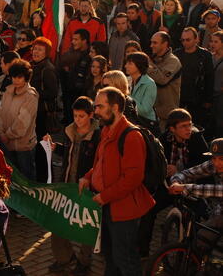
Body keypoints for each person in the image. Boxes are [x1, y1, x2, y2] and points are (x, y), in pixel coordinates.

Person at [79, 87, 155, 276]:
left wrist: (105, 196)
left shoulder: (132, 136)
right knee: (110, 256)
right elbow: (101, 164)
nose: (95, 111)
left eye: (99, 106)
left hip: (123, 210)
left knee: (126, 259)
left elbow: (133, 178)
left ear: (114, 107)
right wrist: (88, 177)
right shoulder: (106, 130)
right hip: (107, 206)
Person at [139, 108, 208, 257]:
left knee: (193, 219)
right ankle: (142, 252)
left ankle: (191, 257)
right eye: (183, 126)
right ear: (172, 129)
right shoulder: (163, 140)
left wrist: (179, 168)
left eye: (189, 125)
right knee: (148, 210)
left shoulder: (196, 139)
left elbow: (204, 165)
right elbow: (153, 163)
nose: (188, 129)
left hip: (190, 187)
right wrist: (164, 170)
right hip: (168, 186)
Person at [44, 96, 100, 274]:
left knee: (87, 226)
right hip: (68, 183)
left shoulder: (98, 135)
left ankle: (84, 262)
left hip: (88, 187)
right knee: (57, 222)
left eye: (82, 116)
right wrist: (56, 148)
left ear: (91, 115)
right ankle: (65, 257)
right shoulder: (69, 130)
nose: (77, 120)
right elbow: (69, 152)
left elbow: (99, 161)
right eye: (75, 115)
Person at [168, 138, 223, 254]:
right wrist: (175, 182)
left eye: (221, 159)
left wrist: (184, 188)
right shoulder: (213, 165)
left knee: (202, 240)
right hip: (218, 210)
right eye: (214, 158)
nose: (217, 163)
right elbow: (187, 173)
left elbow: (217, 190)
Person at [0, 59, 38, 180]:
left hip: (23, 147)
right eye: (14, 77)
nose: (16, 80)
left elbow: (22, 123)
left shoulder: (31, 96)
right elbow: (0, 112)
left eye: (19, 77)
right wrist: (0, 131)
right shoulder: (8, 92)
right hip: (6, 144)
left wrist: (7, 135)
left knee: (26, 179)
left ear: (26, 77)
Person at [174, 27, 214, 129]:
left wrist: (208, 99)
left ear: (196, 39)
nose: (185, 42)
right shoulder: (177, 54)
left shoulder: (205, 55)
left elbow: (209, 78)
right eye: (182, 40)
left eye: (188, 39)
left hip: (198, 98)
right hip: (180, 97)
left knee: (197, 127)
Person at [149, 31, 182, 130]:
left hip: (166, 115)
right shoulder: (153, 59)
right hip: (152, 113)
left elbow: (162, 79)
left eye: (155, 43)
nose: (151, 46)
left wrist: (148, 66)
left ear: (165, 44)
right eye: (151, 42)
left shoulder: (173, 61)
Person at [59, 29, 91, 124]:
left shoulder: (89, 55)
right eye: (73, 39)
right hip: (69, 93)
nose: (73, 42)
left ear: (84, 41)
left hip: (81, 94)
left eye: (76, 40)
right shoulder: (71, 52)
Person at [211, 31, 223, 137]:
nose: (212, 44)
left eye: (216, 41)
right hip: (211, 95)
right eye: (212, 41)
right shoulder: (210, 57)